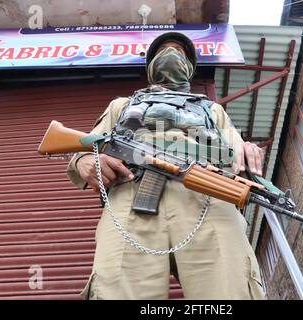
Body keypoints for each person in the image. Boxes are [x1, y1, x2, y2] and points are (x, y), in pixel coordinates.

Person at [67, 32, 265, 300]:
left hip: (207, 197)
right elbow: (86, 147)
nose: (172, 55)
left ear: (190, 68)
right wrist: (84, 160)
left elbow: (236, 156)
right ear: (150, 67)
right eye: (163, 51)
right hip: (131, 198)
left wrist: (248, 151)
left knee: (231, 291)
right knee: (116, 289)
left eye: (180, 53)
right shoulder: (123, 105)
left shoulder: (211, 110)